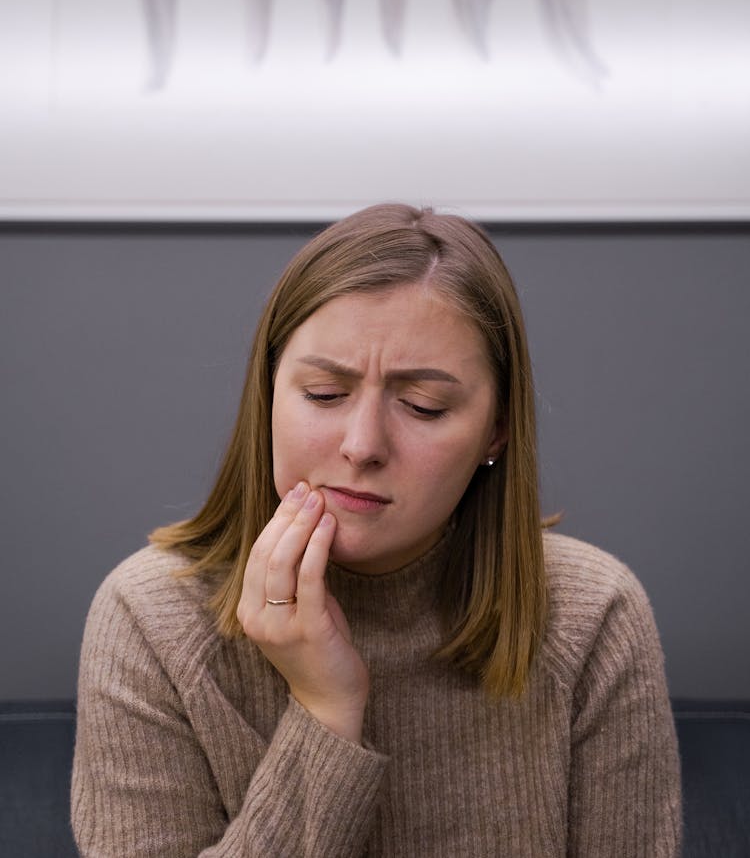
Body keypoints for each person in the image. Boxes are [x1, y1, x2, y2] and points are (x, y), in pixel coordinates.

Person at [71, 203, 682, 856]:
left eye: (423, 405)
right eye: (324, 394)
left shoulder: (594, 615)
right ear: (269, 395)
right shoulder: (148, 621)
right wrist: (324, 712)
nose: (362, 445)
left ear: (495, 431)